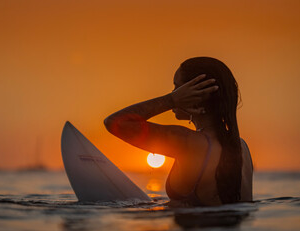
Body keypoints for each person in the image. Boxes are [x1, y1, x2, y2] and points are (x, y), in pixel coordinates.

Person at [104, 57, 253, 207]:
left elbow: (115, 123)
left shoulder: (187, 142)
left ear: (197, 94)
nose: (175, 92)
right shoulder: (241, 146)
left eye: (178, 88)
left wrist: (171, 100)